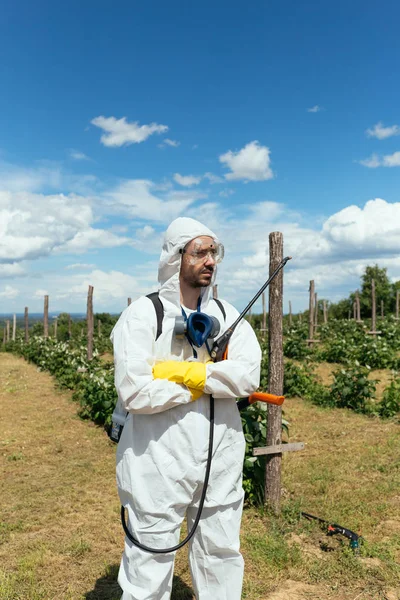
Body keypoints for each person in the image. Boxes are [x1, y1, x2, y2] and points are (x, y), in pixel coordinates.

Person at [111, 217, 262, 600]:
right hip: (157, 459)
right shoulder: (143, 316)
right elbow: (136, 391)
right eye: (200, 252)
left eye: (215, 252)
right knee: (149, 561)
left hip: (221, 456)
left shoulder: (229, 317)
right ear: (175, 257)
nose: (210, 260)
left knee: (221, 552)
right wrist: (210, 379)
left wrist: (185, 374)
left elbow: (246, 378)